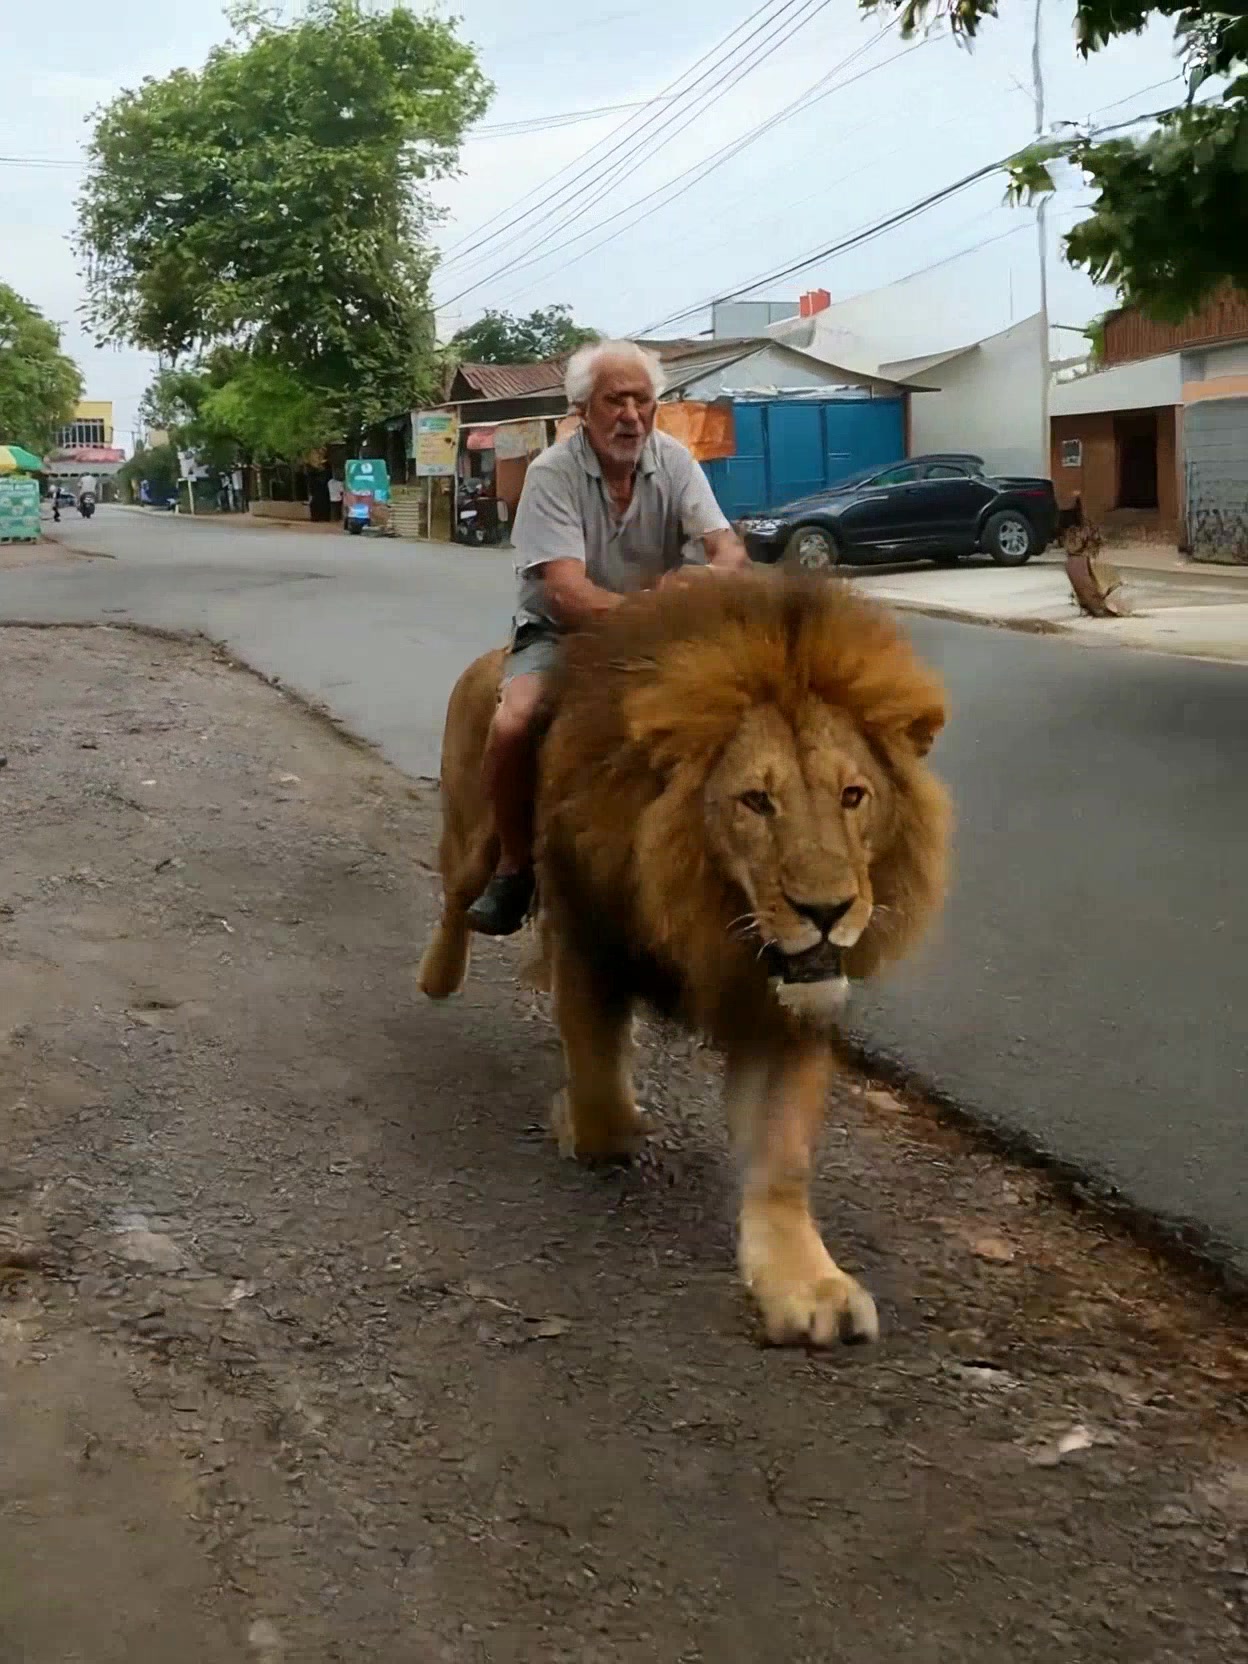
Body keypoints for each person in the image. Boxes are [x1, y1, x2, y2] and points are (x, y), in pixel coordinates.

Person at [465, 338, 749, 937]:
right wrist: (651, 610)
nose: (631, 415)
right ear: (582, 410)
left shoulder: (674, 460)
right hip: (565, 632)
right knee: (514, 722)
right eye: (614, 400)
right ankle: (515, 866)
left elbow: (728, 548)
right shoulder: (550, 474)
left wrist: (711, 579)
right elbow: (568, 593)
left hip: (660, 636)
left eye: (642, 400)